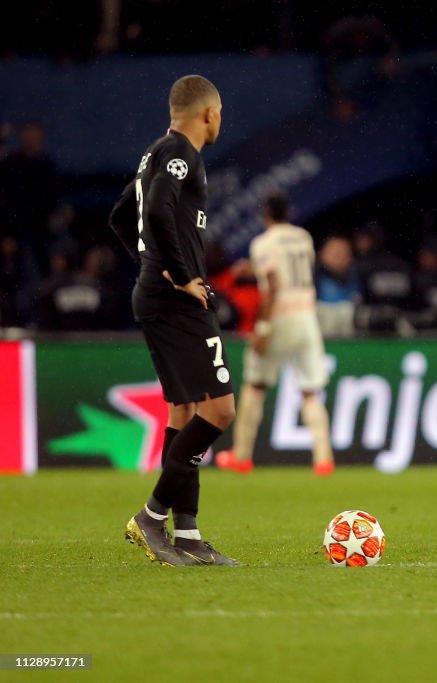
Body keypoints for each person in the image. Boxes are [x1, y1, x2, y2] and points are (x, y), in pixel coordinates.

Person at [108, 75, 238, 566]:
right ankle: (151, 515)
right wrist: (182, 275)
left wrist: (149, 264)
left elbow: (122, 217)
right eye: (220, 112)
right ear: (209, 113)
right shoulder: (181, 154)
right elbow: (158, 208)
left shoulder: (153, 153)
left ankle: (187, 535)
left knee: (183, 413)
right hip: (177, 300)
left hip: (154, 295)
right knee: (220, 411)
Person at [214, 190, 333, 476]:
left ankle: (241, 456)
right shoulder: (303, 237)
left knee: (255, 385)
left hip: (279, 318)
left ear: (265, 214)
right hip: (307, 316)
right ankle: (323, 459)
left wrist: (263, 328)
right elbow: (292, 272)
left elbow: (275, 285)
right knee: (310, 391)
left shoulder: (263, 242)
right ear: (289, 213)